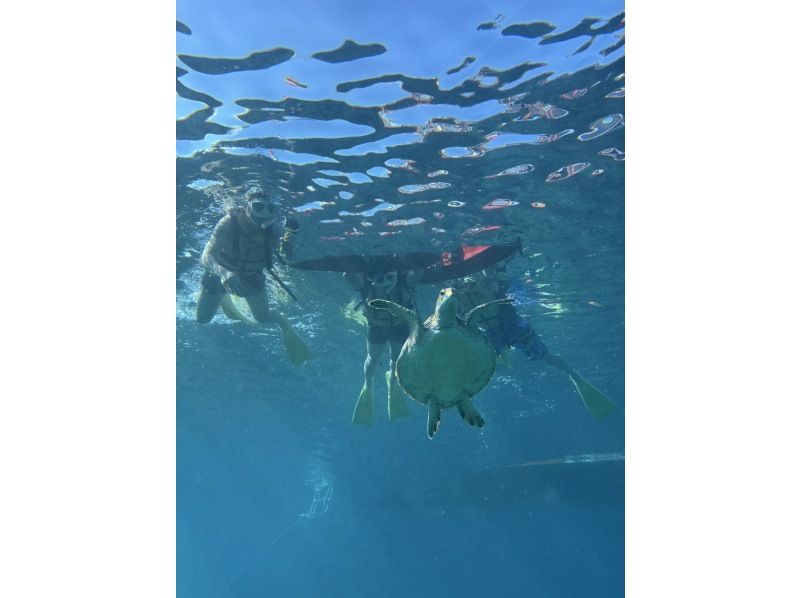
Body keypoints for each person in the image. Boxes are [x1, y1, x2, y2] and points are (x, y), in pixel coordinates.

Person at [455, 266, 614, 419]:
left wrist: (487, 269)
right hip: (493, 333)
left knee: (545, 357)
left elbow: (489, 275)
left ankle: (574, 375)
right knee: (487, 364)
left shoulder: (484, 283)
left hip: (511, 324)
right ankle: (476, 388)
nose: (466, 284)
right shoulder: (458, 294)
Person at [196, 187, 313, 366]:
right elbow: (206, 256)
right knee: (203, 319)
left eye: (270, 209)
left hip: (252, 277)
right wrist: (224, 273)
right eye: (258, 207)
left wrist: (290, 238)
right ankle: (223, 298)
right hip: (219, 275)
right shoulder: (229, 222)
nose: (263, 215)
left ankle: (283, 322)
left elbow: (286, 258)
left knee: (262, 317)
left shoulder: (275, 230)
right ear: (246, 207)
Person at [344, 269, 422, 425]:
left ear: (396, 273)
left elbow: (419, 273)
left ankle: (393, 379)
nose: (385, 282)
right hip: (377, 327)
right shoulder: (366, 284)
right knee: (373, 359)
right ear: (372, 277)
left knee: (397, 359)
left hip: (399, 327)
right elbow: (348, 275)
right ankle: (367, 383)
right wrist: (354, 266)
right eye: (380, 279)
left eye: (389, 277)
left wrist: (414, 264)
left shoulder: (405, 281)